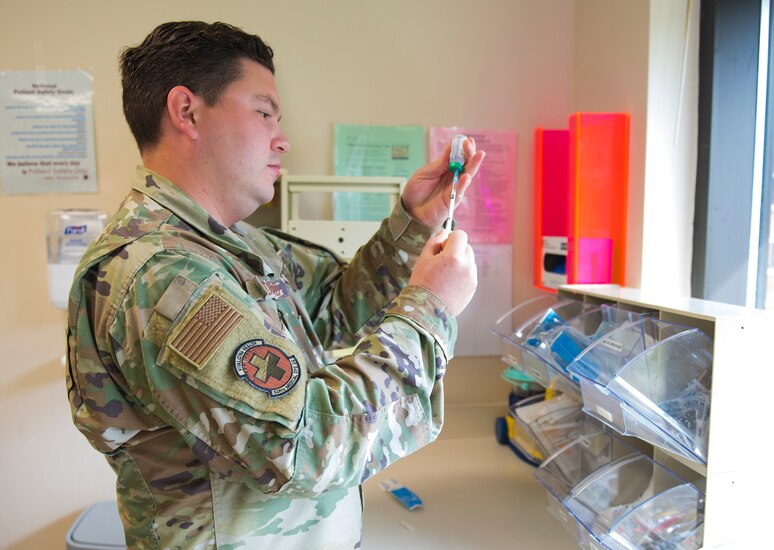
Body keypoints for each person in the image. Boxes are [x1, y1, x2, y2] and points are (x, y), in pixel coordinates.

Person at [65, 20, 484, 549]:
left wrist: (415, 224)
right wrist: (431, 309)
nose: (282, 139)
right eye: (264, 113)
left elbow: (334, 312)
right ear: (186, 111)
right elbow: (304, 449)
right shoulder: (160, 275)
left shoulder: (237, 246)